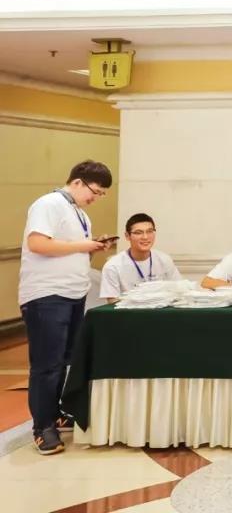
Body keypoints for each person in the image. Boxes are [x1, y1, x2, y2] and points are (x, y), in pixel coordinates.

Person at [19, 160, 115, 455]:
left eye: (101, 194)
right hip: (47, 296)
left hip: (73, 294)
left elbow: (70, 250)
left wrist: (92, 246)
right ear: (77, 182)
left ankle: (55, 412)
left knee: (63, 360)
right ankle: (42, 427)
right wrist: (83, 246)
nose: (96, 198)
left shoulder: (79, 213)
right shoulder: (48, 204)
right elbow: (38, 244)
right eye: (95, 192)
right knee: (47, 364)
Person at [99, 213, 182, 303]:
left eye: (149, 231)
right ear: (127, 236)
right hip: (128, 311)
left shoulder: (164, 260)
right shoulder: (113, 266)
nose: (145, 237)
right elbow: (113, 302)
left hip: (161, 310)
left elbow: (179, 291)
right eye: (138, 233)